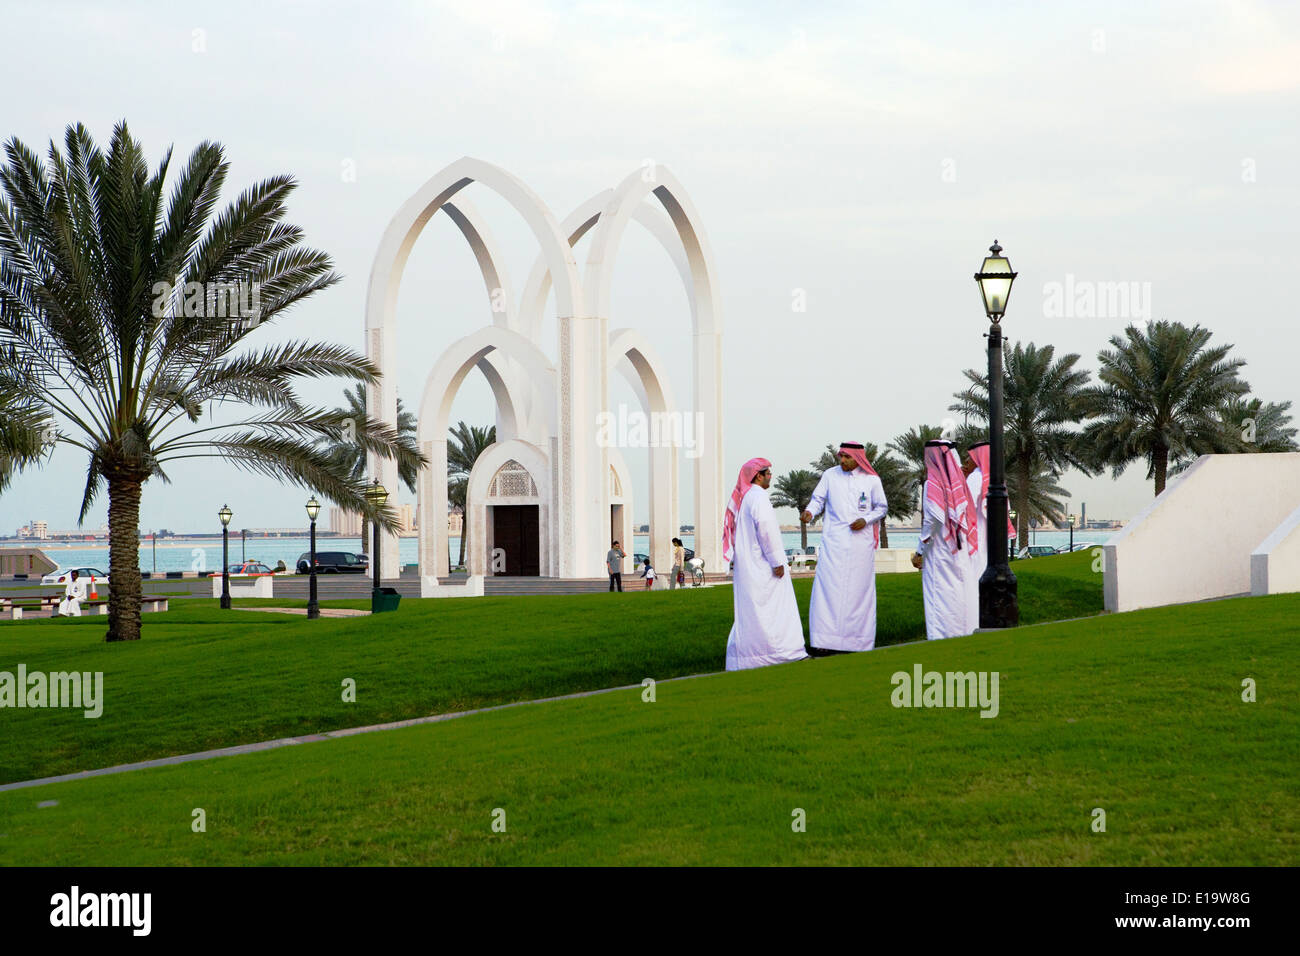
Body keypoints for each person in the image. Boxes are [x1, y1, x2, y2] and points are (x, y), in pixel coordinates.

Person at [801, 441, 888, 653]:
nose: (843, 461)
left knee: (859, 592)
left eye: (847, 457)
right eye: (841, 457)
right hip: (834, 543)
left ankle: (857, 643)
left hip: (860, 545)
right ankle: (824, 643)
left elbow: (882, 507)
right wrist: (810, 511)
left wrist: (866, 520)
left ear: (857, 458)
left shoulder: (872, 480)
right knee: (829, 591)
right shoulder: (830, 475)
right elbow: (818, 499)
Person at [723, 458, 809, 670]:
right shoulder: (758, 497)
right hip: (763, 567)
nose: (771, 476)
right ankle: (783, 653)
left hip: (752, 567)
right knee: (776, 610)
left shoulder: (748, 498)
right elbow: (767, 531)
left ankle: (749, 658)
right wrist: (777, 561)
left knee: (754, 612)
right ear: (758, 476)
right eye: (767, 473)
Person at [911, 440, 978, 640]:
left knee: (939, 595)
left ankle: (941, 636)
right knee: (958, 591)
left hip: (938, 550)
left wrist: (919, 551)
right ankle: (961, 632)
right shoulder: (959, 483)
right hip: (958, 547)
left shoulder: (932, 483)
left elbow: (932, 521)